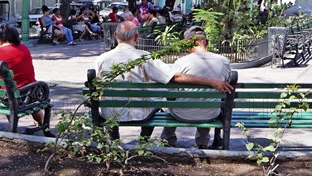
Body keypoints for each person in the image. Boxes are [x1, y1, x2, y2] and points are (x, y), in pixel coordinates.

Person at [94, 21, 233, 140]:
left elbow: (95, 85)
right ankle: (144, 140)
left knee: (112, 106)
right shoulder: (145, 57)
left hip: (110, 114)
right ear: (136, 37)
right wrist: (212, 81)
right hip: (141, 115)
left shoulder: (101, 59)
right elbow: (174, 77)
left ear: (115, 35)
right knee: (158, 104)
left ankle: (114, 139)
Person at [160, 26, 231, 148]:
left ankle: (168, 139)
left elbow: (171, 93)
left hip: (182, 113)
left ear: (189, 42)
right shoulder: (224, 61)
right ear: (206, 42)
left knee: (166, 103)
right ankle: (202, 142)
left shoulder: (181, 62)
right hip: (211, 113)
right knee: (209, 102)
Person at [0, 23, 45, 129]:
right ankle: (41, 123)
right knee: (14, 90)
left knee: (5, 90)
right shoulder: (24, 48)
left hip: (11, 97)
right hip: (32, 92)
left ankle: (12, 125)